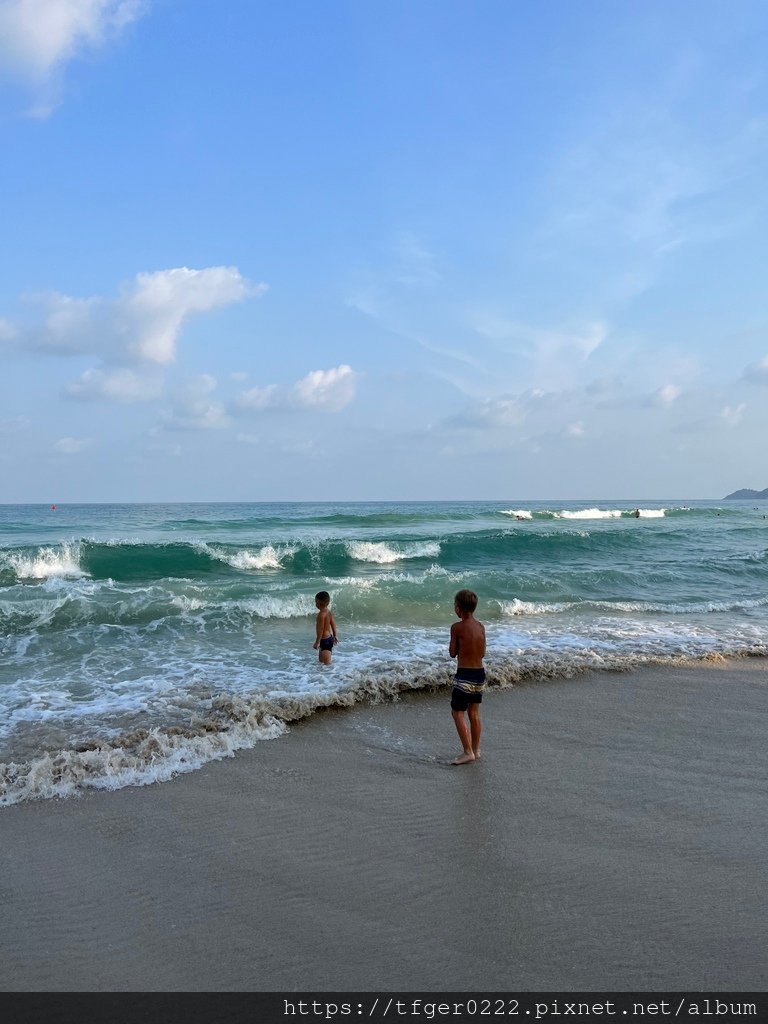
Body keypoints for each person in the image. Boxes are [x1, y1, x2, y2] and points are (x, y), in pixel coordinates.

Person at [448, 588, 486, 765]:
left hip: (464, 675)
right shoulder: (480, 626)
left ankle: (467, 752)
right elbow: (483, 652)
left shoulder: (456, 627)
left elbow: (452, 653)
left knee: (457, 713)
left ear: (458, 609)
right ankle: (476, 750)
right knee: (474, 713)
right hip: (479, 674)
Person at [313, 590, 338, 665]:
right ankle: (323, 676)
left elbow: (321, 629)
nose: (315, 604)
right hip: (328, 639)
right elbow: (333, 624)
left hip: (324, 641)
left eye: (316, 602)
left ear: (319, 603)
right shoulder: (328, 612)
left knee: (327, 664)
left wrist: (317, 642)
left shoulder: (321, 615)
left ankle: (331, 675)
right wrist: (335, 635)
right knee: (321, 661)